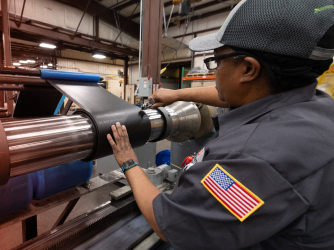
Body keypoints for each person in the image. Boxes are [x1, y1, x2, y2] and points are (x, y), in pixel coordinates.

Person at [107, 0, 334, 249]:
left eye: (216, 62)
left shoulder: (249, 161)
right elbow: (239, 94)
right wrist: (176, 95)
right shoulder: (315, 104)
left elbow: (170, 225)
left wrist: (129, 161)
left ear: (248, 69)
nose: (215, 72)